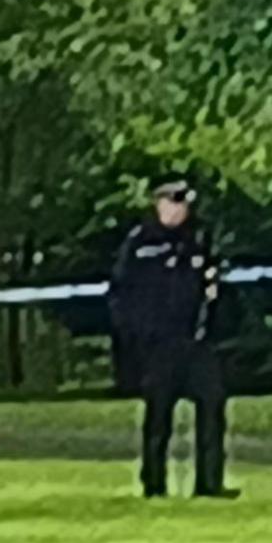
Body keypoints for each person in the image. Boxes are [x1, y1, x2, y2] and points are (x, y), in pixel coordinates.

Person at [108, 179, 234, 500]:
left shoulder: (198, 240)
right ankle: (154, 484)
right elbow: (121, 294)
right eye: (174, 202)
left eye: (184, 204)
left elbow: (214, 283)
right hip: (158, 346)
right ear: (159, 203)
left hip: (195, 342)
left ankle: (210, 484)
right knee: (158, 418)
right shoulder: (140, 243)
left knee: (212, 407)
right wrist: (136, 338)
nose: (180, 210)